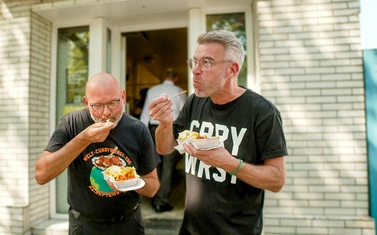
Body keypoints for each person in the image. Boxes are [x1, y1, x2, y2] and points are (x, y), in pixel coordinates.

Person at [148, 30, 287, 234]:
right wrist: (165, 124)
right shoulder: (195, 101)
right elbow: (164, 148)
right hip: (190, 228)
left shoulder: (262, 112)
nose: (195, 70)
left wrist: (226, 162)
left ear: (232, 69)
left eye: (207, 62)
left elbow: (276, 180)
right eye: (195, 62)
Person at [35, 72, 160, 235]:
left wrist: (129, 181)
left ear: (123, 96)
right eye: (98, 105)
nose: (106, 112)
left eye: (113, 103)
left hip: (128, 224)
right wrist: (83, 139)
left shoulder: (138, 129)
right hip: (84, 225)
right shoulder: (73, 123)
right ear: (86, 103)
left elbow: (152, 187)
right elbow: (41, 175)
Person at [140, 68, 187, 213]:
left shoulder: (153, 90)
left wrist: (142, 134)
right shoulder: (179, 90)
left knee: (156, 165)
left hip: (153, 129)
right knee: (168, 167)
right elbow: (184, 115)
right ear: (176, 78)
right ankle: (161, 201)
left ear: (164, 77)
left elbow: (144, 116)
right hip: (172, 129)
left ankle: (156, 197)